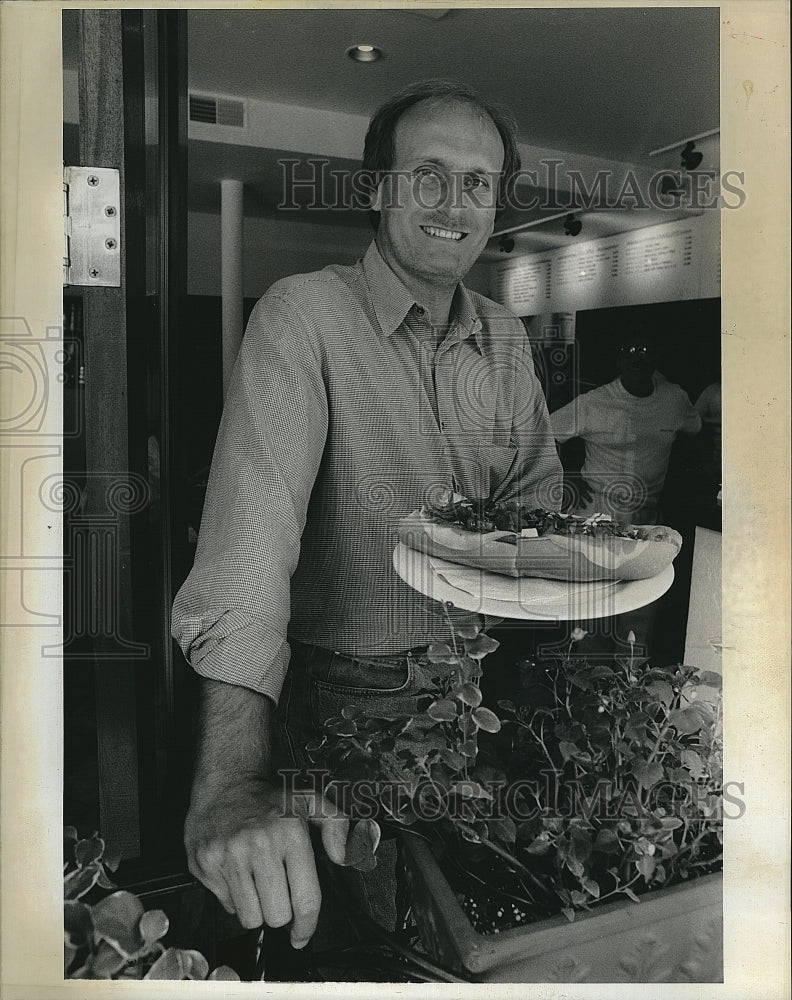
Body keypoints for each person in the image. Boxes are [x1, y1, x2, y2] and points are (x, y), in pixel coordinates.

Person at [171, 80, 562, 954]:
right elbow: (250, 550)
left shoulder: (505, 337)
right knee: (372, 934)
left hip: (487, 688)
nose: (455, 202)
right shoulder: (303, 313)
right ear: (378, 187)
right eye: (428, 173)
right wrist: (230, 780)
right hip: (347, 701)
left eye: (478, 181)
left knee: (476, 933)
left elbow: (540, 508)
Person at [550, 332, 702, 525]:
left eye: (644, 351)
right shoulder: (594, 402)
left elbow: (696, 430)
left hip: (647, 514)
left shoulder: (675, 400)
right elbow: (545, 435)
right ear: (619, 359)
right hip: (598, 509)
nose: (636, 359)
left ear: (656, 357)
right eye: (628, 352)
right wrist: (564, 478)